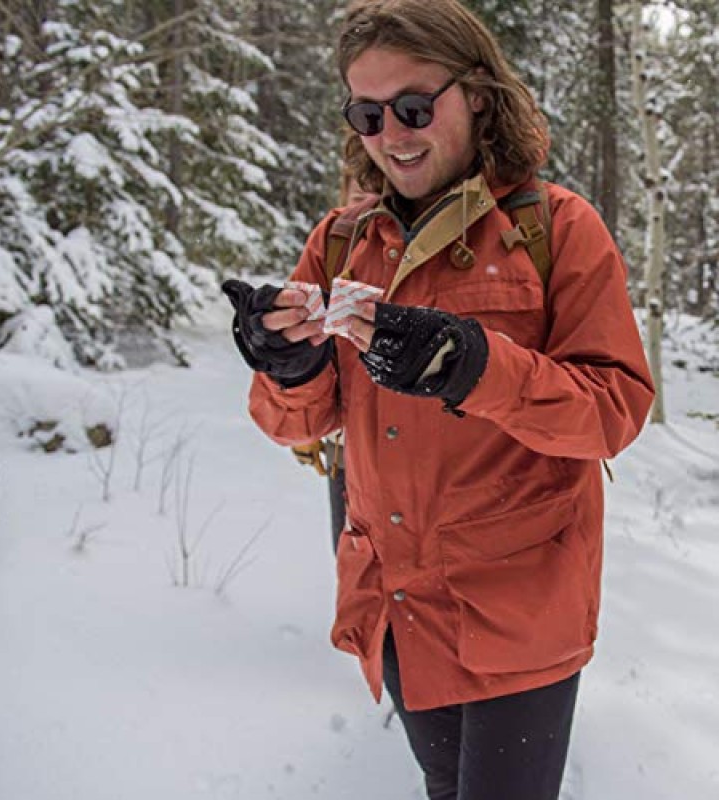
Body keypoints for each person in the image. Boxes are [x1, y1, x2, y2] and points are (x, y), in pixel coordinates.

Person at [222, 1, 655, 798]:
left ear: (479, 96)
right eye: (368, 113)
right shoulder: (344, 240)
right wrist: (284, 366)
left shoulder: (558, 229)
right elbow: (305, 419)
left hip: (517, 612)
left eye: (415, 107)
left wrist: (474, 366)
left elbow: (613, 411)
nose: (392, 134)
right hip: (396, 601)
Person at [290, 163, 376, 553]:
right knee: (350, 555)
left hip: (400, 439)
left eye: (373, 186)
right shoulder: (333, 245)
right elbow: (304, 340)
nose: (361, 194)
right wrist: (306, 428)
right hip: (343, 440)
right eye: (353, 186)